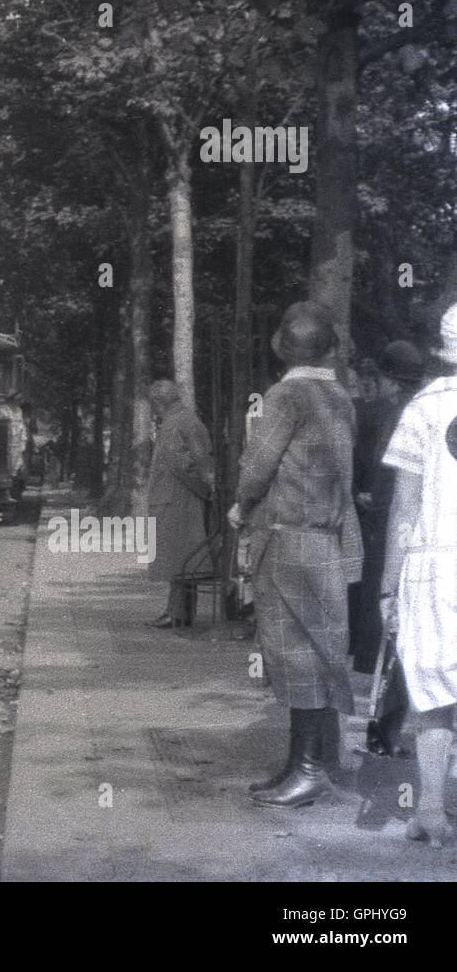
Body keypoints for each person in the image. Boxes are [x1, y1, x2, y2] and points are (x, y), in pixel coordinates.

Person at [228, 301, 362, 809]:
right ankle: (306, 765)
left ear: (281, 345)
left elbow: (258, 465)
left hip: (287, 540)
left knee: (295, 657)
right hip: (326, 541)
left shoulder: (284, 396)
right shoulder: (339, 396)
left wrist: (241, 505)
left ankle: (305, 771)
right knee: (321, 653)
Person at [379, 305, 457, 846]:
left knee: (433, 692)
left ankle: (431, 811)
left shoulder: (422, 408)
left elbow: (403, 508)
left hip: (434, 566)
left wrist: (388, 583)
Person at [350, 340, 425, 754]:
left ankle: (384, 731)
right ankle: (391, 731)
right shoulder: (432, 409)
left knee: (391, 635)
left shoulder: (387, 414)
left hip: (392, 534)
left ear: (385, 378)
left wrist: (368, 499)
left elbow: (381, 480)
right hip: (431, 536)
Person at [145, 379, 215, 627]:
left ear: (157, 402)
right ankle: (177, 612)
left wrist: (205, 490)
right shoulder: (182, 420)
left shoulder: (175, 423)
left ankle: (178, 614)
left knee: (181, 559)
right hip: (179, 498)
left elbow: (183, 464)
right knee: (181, 560)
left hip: (178, 500)